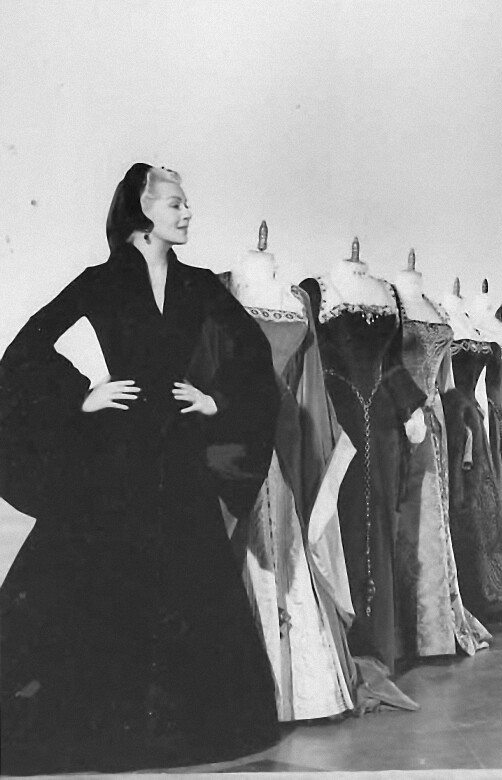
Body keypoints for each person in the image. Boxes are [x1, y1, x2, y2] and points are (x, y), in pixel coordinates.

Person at [0, 163, 282, 774]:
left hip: (177, 455)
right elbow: (23, 352)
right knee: (97, 583)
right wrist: (81, 395)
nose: (188, 213)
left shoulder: (200, 285)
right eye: (176, 203)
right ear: (142, 209)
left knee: (187, 580)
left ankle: (176, 727)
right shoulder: (100, 282)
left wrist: (217, 401)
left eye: (186, 203)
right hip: (115, 458)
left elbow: (253, 355)